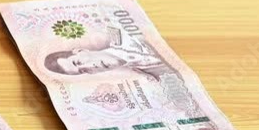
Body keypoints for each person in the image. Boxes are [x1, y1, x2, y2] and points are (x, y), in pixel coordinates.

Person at [43, 25, 172, 79]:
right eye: (83, 71)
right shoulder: (144, 72)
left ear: (80, 51)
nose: (90, 66)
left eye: (78, 62)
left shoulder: (119, 33)